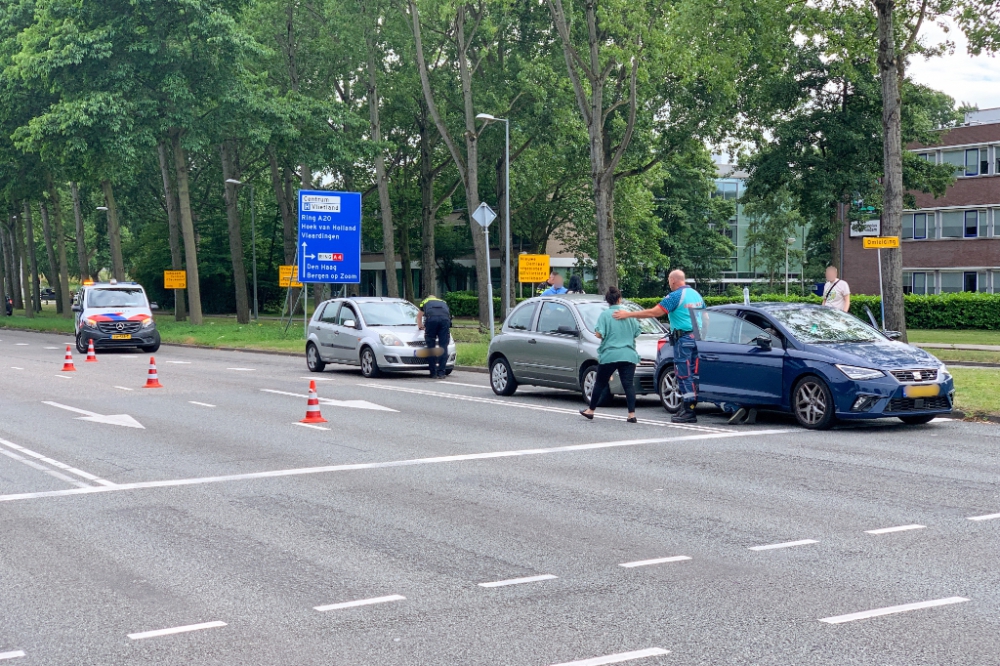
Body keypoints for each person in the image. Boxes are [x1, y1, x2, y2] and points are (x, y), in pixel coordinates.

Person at [614, 269, 704, 424]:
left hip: (683, 339)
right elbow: (706, 317)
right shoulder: (696, 295)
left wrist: (628, 315)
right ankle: (687, 407)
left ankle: (689, 411)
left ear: (674, 280)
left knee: (683, 374)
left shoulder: (675, 296)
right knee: (692, 374)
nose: (669, 283)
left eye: (669, 280)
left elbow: (655, 312)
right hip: (697, 338)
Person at [580, 286, 641, 423]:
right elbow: (637, 332)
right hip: (628, 354)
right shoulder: (628, 314)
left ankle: (591, 410)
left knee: (600, 382)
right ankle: (631, 415)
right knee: (628, 385)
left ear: (608, 301)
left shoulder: (605, 315)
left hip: (610, 355)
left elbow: (599, 333)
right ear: (619, 299)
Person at [416, 294, 451, 378]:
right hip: (445, 321)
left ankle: (433, 373)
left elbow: (419, 316)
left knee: (431, 347)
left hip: (432, 320)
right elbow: (448, 314)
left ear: (428, 298)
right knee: (443, 347)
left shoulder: (425, 302)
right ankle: (442, 372)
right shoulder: (443, 302)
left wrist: (420, 326)